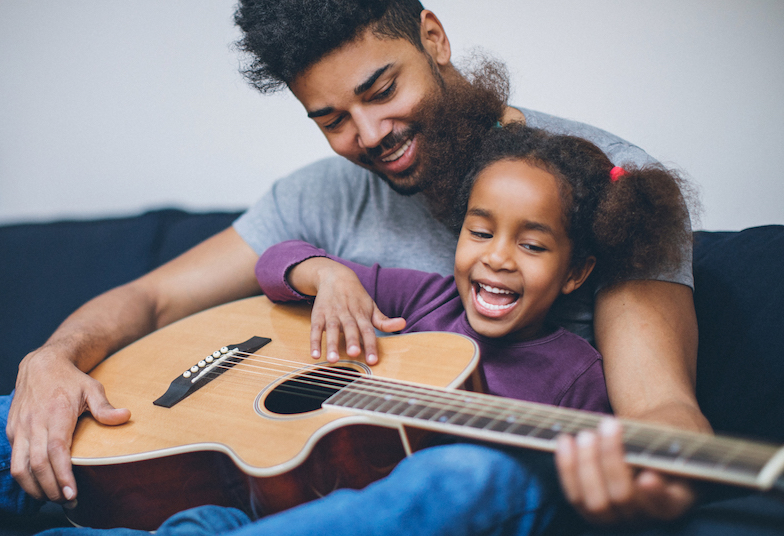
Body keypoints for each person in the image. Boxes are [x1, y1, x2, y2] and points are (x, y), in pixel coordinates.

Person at [0, 1, 706, 535]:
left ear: (432, 36)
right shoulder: (320, 196)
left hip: (386, 500)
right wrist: (54, 359)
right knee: (20, 417)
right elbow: (148, 298)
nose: (367, 136)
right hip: (241, 464)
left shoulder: (599, 186)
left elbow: (660, 406)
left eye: (380, 91)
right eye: (330, 117)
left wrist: (659, 480)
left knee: (466, 488)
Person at [48, 120, 695, 536]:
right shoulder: (425, 298)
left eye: (532, 245)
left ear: (577, 273)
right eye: (479, 232)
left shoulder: (577, 375)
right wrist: (326, 277)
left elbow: (578, 489)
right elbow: (274, 263)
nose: (496, 256)